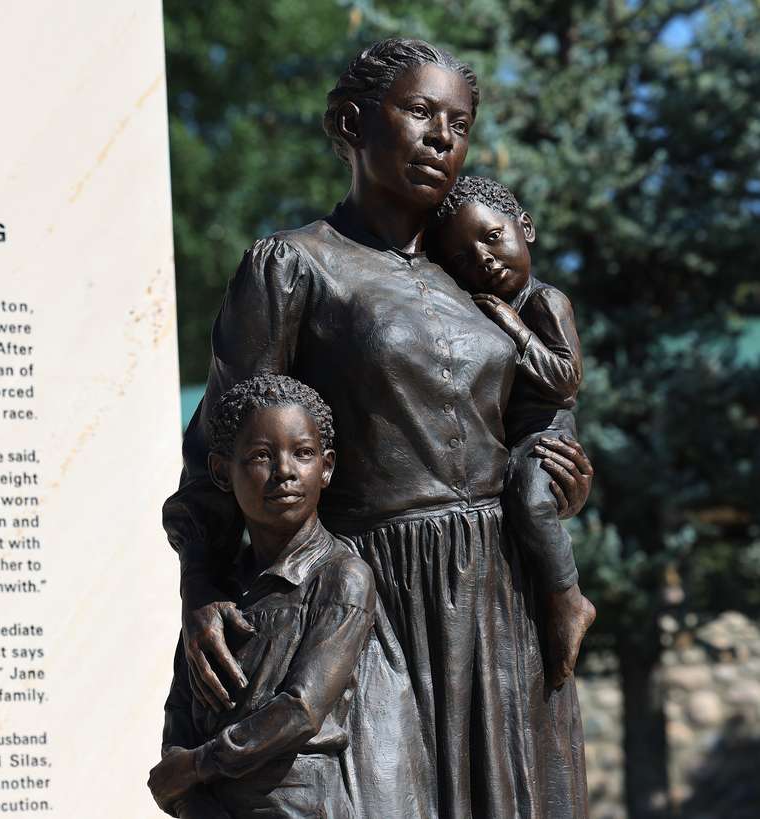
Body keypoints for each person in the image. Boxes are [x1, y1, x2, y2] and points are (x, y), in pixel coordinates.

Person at [162, 38, 594, 818]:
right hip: (374, 602)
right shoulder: (294, 265)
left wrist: (555, 464)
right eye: (420, 112)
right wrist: (201, 589)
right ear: (350, 123)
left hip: (501, 597)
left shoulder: (479, 269)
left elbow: (535, 409)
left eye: (458, 124)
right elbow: (220, 454)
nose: (442, 138)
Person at [148, 374, 375, 819]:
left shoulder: (342, 577)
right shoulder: (216, 596)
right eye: (260, 456)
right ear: (221, 472)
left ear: (327, 467)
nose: (285, 471)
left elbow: (302, 709)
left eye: (303, 453)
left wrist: (196, 766)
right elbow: (179, 714)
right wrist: (188, 795)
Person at [428, 175, 598, 689]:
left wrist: (513, 326)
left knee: (530, 495)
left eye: (492, 236)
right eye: (462, 257)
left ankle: (568, 597)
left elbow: (566, 381)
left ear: (525, 227)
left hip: (545, 432)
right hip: (509, 439)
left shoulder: (545, 303)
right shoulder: (481, 310)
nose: (483, 258)